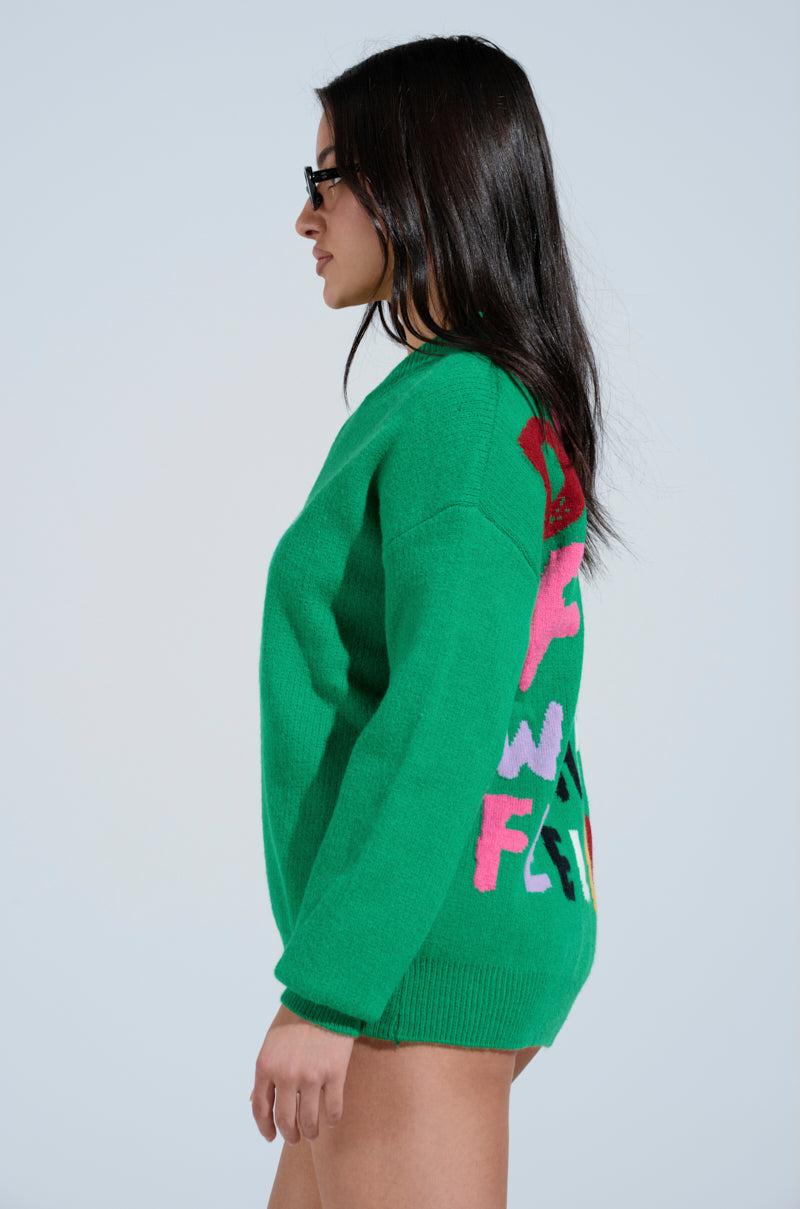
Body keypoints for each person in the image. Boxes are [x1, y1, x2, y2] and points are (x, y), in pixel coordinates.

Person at [250, 33, 619, 1209]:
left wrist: (329, 993)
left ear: (418, 182)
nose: (305, 217)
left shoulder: (460, 412)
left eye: (326, 180)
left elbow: (439, 723)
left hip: (414, 961)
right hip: (432, 932)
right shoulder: (471, 398)